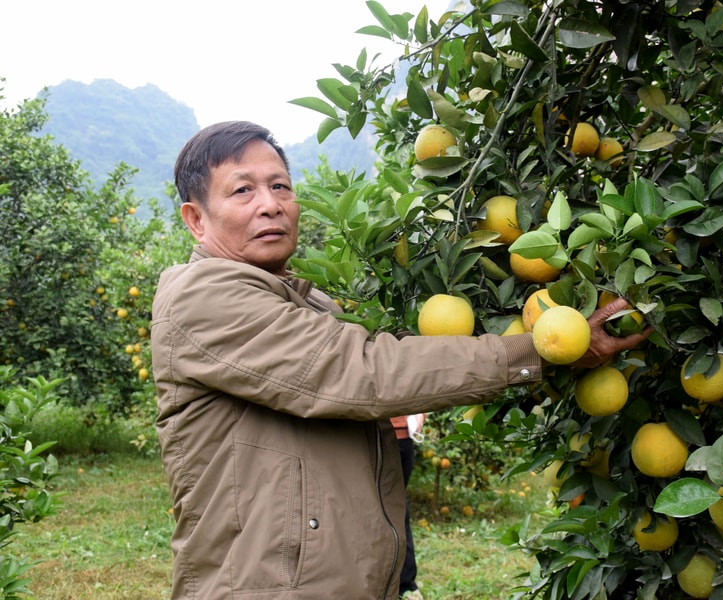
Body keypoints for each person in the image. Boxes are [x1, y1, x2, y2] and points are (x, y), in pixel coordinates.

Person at [151, 120, 649, 600]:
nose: (271, 205)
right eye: (243, 191)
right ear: (196, 219)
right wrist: (532, 352)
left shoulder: (313, 303)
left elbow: (391, 366)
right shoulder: (203, 297)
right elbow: (363, 372)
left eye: (280, 186)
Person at [391, 414, 425, 600]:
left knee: (396, 509)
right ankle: (405, 584)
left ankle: (405, 584)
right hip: (396, 439)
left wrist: (419, 414)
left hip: (395, 438)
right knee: (396, 508)